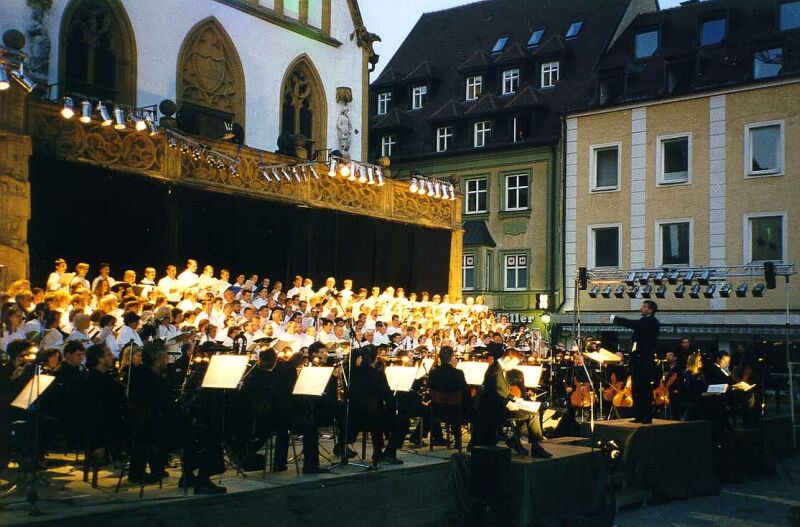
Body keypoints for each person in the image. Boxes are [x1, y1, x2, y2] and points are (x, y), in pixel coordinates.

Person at [471, 344, 550, 458]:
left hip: (500, 405)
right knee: (533, 414)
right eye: (514, 363)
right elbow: (493, 395)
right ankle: (535, 446)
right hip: (496, 410)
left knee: (532, 411)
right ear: (507, 359)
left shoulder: (497, 368)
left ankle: (518, 440)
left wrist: (514, 398)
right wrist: (508, 404)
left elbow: (501, 390)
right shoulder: (496, 371)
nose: (514, 366)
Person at [127, 341, 178, 484]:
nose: (167, 360)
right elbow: (162, 403)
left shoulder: (140, 372)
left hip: (144, 419)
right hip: (147, 421)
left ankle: (158, 467)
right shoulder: (152, 378)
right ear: (158, 359)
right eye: (165, 357)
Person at [610, 300, 660, 424]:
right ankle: (639, 415)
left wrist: (616, 319)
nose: (641, 308)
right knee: (636, 389)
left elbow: (632, 324)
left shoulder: (650, 321)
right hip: (638, 361)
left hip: (644, 361)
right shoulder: (645, 322)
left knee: (644, 390)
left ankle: (646, 416)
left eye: (644, 307)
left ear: (650, 310)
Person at [83, 344, 127, 462]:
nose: (112, 357)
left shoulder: (105, 377)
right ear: (100, 359)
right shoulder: (95, 381)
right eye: (108, 354)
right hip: (104, 426)